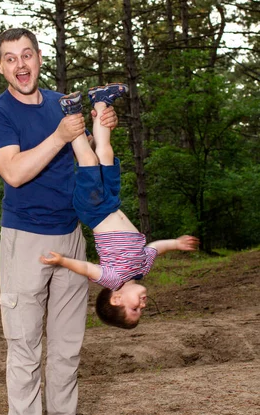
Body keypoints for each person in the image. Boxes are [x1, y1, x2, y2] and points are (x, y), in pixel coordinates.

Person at [0, 28, 118, 415]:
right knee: (23, 341)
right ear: (0, 67)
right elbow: (15, 173)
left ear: (39, 58)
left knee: (67, 341)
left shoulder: (63, 103)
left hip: (70, 235)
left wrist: (100, 131)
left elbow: (88, 160)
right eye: (10, 58)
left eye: (27, 55)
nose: (21, 65)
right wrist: (59, 135)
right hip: (25, 239)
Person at [40, 86, 199, 330]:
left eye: (134, 309)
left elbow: (85, 268)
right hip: (111, 202)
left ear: (116, 298)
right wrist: (176, 244)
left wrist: (62, 260)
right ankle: (100, 101)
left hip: (94, 209)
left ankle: (71, 113)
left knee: (89, 161)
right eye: (140, 311)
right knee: (105, 152)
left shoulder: (113, 278)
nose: (142, 306)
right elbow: (155, 247)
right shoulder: (141, 268)